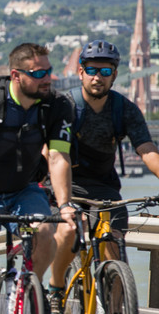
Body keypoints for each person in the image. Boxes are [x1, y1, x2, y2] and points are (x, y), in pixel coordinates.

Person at [0, 43, 76, 314]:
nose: (47, 78)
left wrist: (65, 204)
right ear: (16, 75)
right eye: (38, 73)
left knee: (45, 233)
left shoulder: (57, 105)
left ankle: (31, 285)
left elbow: (57, 158)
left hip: (24, 189)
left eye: (49, 71)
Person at [47, 39, 159, 313]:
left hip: (104, 188)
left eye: (106, 71)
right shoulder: (65, 106)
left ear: (115, 75)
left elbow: (146, 150)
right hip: (66, 187)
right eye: (93, 70)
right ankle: (56, 286)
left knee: (113, 244)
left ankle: (115, 304)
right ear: (81, 71)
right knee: (69, 231)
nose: (99, 77)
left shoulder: (125, 109)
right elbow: (52, 153)